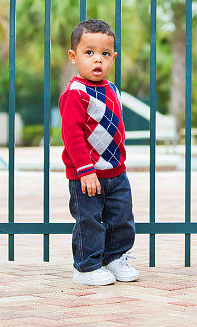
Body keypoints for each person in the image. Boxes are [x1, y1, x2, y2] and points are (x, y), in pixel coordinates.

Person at [59, 19, 139, 286]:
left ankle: (114, 258)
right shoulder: (75, 93)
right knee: (89, 220)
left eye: (105, 54)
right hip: (87, 174)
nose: (98, 60)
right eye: (89, 52)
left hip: (115, 172)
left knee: (122, 217)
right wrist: (85, 169)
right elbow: (72, 136)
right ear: (73, 56)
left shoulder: (112, 89)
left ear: (113, 58)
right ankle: (86, 266)